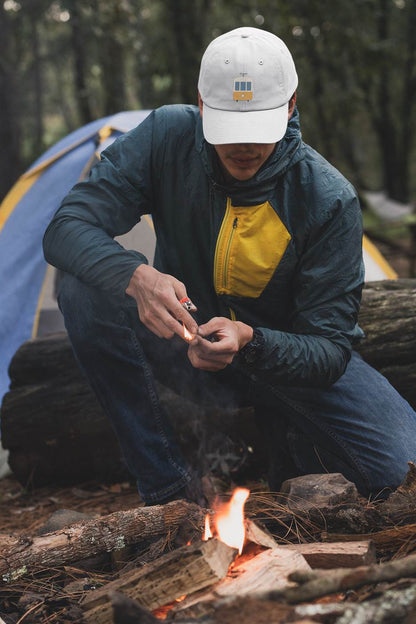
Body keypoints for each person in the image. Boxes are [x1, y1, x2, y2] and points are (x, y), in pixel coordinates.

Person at [43, 27, 416, 506]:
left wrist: (252, 341)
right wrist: (136, 276)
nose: (243, 147)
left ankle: (290, 443)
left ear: (291, 104)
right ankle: (168, 489)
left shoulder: (326, 197)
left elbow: (329, 349)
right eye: (229, 129)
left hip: (283, 359)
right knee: (81, 288)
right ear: (201, 104)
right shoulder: (166, 138)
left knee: (400, 465)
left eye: (257, 129)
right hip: (184, 342)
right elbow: (66, 227)